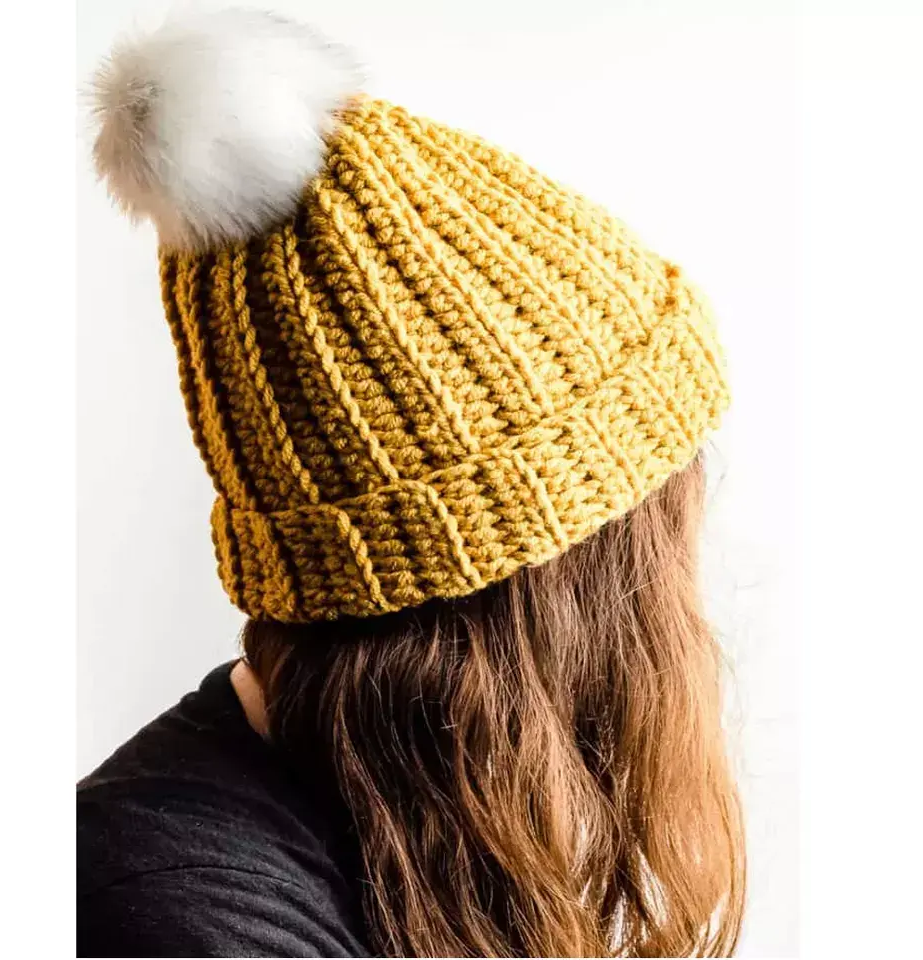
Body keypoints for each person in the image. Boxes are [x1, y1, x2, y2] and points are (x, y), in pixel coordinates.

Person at [77, 8, 745, 957]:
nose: (685, 591)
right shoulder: (179, 921)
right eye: (660, 533)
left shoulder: (417, 823)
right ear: (555, 587)